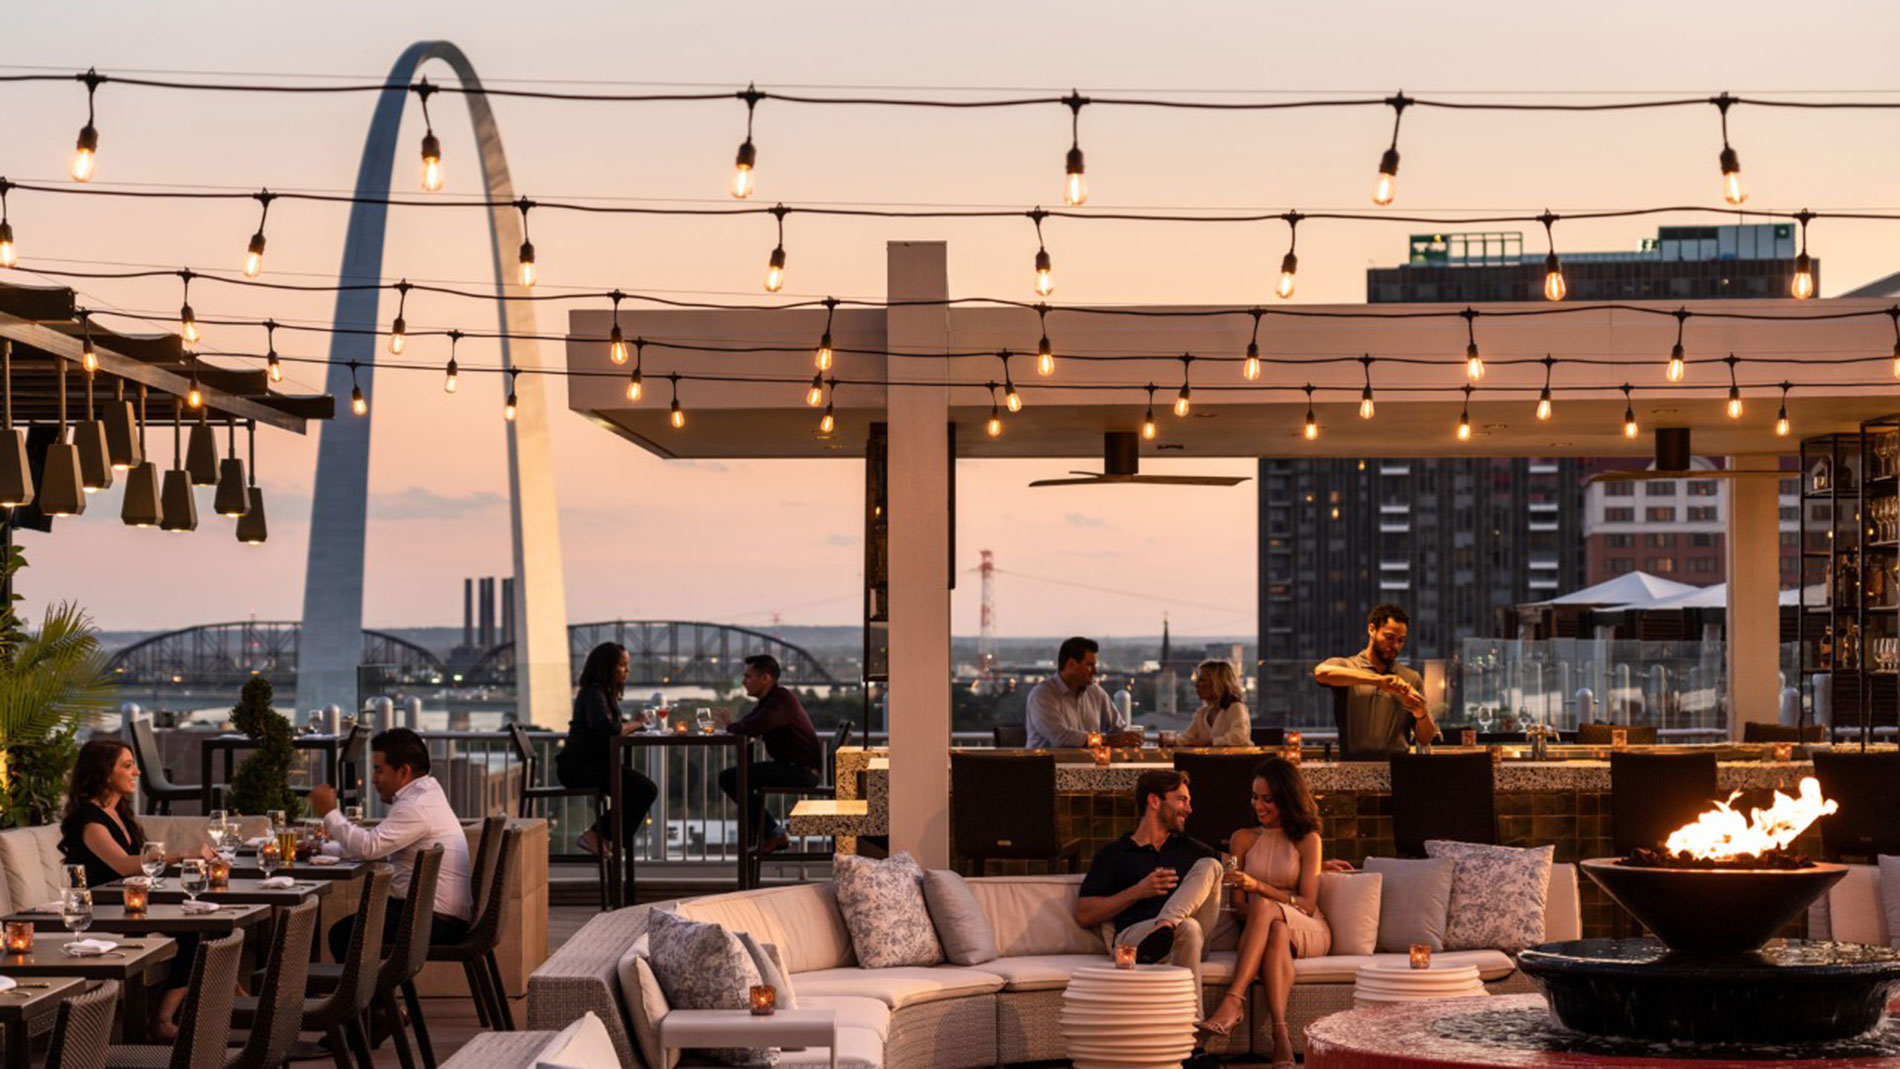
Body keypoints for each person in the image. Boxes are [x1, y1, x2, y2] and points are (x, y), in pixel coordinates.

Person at [59, 737, 213, 1039]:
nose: (137, 772)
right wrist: (183, 855)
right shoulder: (89, 820)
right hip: (101, 910)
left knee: (208, 924)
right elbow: (125, 865)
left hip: (130, 906)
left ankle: (197, 1011)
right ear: (105, 773)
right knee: (193, 930)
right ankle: (161, 1022)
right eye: (127, 766)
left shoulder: (121, 814)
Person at [1199, 758, 1330, 1064]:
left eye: (1268, 799)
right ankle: (1282, 1037)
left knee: (1269, 909)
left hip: (1308, 927)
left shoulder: (1309, 840)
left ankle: (1233, 1000)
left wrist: (1260, 888)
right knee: (1274, 928)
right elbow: (1239, 906)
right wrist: (1262, 906)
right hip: (1265, 928)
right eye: (1255, 797)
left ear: (1287, 798)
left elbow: (1308, 904)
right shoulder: (1242, 838)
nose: (1259, 805)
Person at [309, 728, 474, 963]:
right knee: (352, 928)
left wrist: (330, 812)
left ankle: (366, 998)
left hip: (433, 922)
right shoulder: (424, 796)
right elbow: (377, 844)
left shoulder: (416, 806)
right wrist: (321, 849)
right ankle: (372, 997)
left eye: (378, 770)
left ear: (404, 771)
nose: (374, 779)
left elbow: (369, 847)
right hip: (433, 915)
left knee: (344, 935)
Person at [1074, 770, 1224, 994]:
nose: (1189, 809)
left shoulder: (1189, 849)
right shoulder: (1115, 854)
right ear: (1154, 801)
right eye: (1182, 800)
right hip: (1134, 943)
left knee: (1211, 865)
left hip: (1190, 943)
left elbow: (1231, 869)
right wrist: (1138, 891)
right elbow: (1084, 914)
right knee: (1189, 927)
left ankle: (1166, 925)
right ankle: (1191, 1024)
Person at [558, 642, 660, 857]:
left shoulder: (600, 694)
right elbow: (609, 730)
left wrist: (631, 724)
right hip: (580, 768)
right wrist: (638, 723)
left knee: (636, 790)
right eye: (622, 665)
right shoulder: (593, 694)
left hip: (589, 765)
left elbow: (611, 727)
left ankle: (605, 838)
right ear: (607, 667)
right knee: (644, 790)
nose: (627, 670)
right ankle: (598, 836)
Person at [719, 654, 821, 855]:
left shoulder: (780, 700)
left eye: (748, 677)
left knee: (731, 778)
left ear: (765, 678)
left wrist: (732, 726)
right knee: (737, 779)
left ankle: (772, 833)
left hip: (800, 771)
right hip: (795, 768)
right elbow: (749, 723)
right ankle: (768, 833)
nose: (743, 681)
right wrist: (734, 726)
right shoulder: (772, 700)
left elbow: (753, 726)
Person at [1313, 604, 1436, 758]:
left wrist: (1421, 714)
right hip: (1353, 769)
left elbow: (1425, 739)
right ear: (1372, 629)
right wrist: (1378, 681)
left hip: (1399, 769)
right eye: (1390, 637)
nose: (1395, 646)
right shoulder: (1347, 667)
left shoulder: (1411, 678)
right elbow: (1321, 672)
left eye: (1401, 640)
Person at [1026, 636, 1142, 748]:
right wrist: (1108, 740)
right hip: (1047, 765)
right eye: (1090, 665)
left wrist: (1129, 738)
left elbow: (1119, 729)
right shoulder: (1043, 695)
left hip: (1090, 766)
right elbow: (1060, 737)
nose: (1096, 671)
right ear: (1071, 664)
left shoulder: (1096, 693)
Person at [1178, 659, 1251, 747]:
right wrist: (1169, 740)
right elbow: (1186, 739)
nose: (1196, 685)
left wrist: (1210, 742)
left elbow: (1240, 738)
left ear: (1217, 683)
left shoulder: (1236, 708)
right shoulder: (1202, 713)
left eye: (1202, 680)